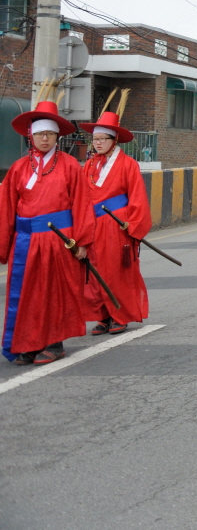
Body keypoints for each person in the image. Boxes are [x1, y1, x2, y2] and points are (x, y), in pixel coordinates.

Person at [0, 98, 96, 364]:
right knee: (27, 294)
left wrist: (82, 241)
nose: (45, 139)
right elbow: (6, 208)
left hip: (59, 240)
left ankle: (54, 343)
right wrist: (3, 244)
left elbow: (82, 204)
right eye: (40, 134)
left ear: (57, 137)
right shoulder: (19, 168)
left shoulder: (69, 165)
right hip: (25, 241)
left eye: (50, 134)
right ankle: (28, 342)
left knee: (54, 292)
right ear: (30, 136)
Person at [79, 94, 152, 335]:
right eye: (95, 139)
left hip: (117, 225)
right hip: (93, 225)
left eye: (103, 139)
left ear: (114, 140)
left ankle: (120, 314)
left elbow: (137, 197)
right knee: (93, 271)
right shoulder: (89, 165)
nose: (98, 143)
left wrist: (133, 224)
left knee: (116, 271)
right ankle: (103, 315)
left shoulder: (128, 164)